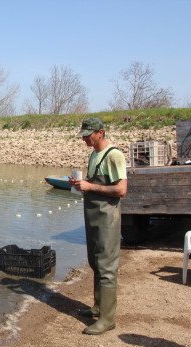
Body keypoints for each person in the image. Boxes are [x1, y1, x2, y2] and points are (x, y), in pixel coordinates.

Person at [69, 117, 127, 335]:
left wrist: (89, 185)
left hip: (107, 219)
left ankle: (107, 319)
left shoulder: (114, 155)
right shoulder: (94, 154)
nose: (84, 138)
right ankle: (98, 306)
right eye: (83, 134)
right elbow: (94, 186)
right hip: (93, 216)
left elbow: (121, 190)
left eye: (88, 134)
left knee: (107, 267)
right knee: (95, 261)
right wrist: (79, 186)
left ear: (100, 133)